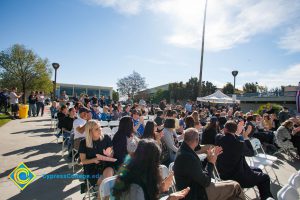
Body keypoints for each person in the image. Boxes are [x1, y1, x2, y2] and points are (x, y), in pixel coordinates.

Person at [174, 128, 245, 200]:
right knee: (235, 186)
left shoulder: (184, 150)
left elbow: (199, 171)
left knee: (233, 189)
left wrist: (210, 158)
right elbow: (206, 182)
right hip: (195, 194)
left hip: (196, 188)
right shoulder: (187, 157)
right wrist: (211, 162)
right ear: (197, 140)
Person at [113, 139, 190, 200]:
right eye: (157, 161)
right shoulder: (135, 187)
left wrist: (161, 188)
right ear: (151, 162)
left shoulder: (138, 174)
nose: (158, 165)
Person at [215, 121, 273, 200]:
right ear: (235, 131)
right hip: (237, 177)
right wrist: (245, 136)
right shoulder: (239, 143)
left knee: (258, 170)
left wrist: (237, 133)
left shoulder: (218, 138)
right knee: (265, 177)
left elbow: (222, 135)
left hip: (223, 174)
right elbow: (251, 153)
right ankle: (266, 197)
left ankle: (262, 194)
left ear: (225, 129)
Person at [79, 120, 115, 187]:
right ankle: (101, 196)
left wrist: (110, 154)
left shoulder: (106, 138)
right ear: (90, 131)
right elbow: (83, 161)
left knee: (107, 181)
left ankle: (101, 196)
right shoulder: (83, 142)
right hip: (91, 168)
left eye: (100, 127)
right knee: (105, 185)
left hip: (106, 164)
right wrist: (94, 160)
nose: (100, 130)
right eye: (96, 129)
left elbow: (111, 152)